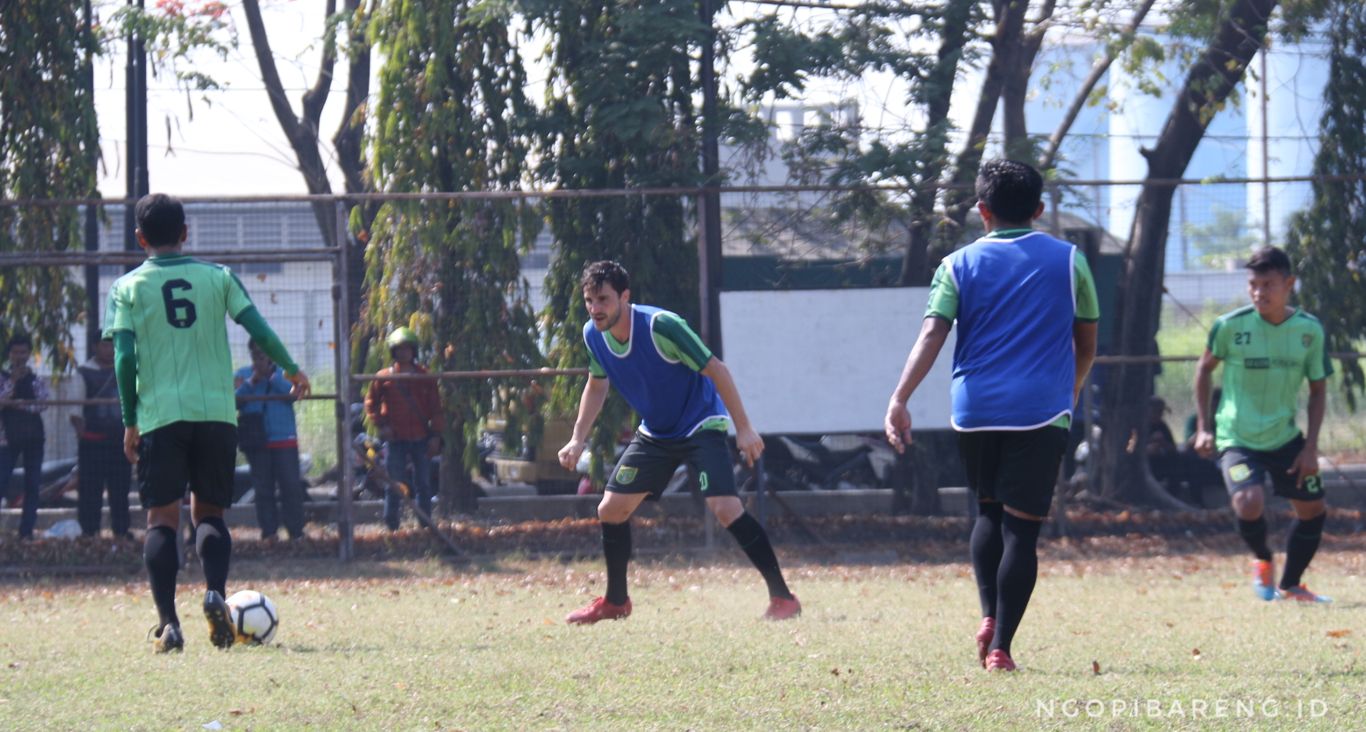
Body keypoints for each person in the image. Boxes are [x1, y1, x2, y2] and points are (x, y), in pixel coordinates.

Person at [884, 160, 1098, 672]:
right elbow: (1086, 342)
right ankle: (1000, 646)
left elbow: (932, 335)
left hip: (975, 409)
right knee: (1022, 532)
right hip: (1041, 411)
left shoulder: (956, 264)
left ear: (982, 211)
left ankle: (986, 614)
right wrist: (1068, 390)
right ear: (1039, 210)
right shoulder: (1070, 260)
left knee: (987, 513)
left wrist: (899, 397)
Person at [105, 193, 310, 653]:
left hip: (160, 417)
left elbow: (123, 357)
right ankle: (215, 591)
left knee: (162, 518)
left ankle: (169, 625)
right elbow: (256, 327)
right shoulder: (218, 277)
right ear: (185, 232)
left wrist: (130, 420)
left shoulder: (127, 288)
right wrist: (291, 369)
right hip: (217, 414)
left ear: (140, 239)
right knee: (210, 514)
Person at [557, 260, 800, 624]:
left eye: (603, 299)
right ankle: (616, 602)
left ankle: (783, 598)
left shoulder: (661, 326)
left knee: (724, 508)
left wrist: (745, 428)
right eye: (589, 300)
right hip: (656, 432)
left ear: (625, 296)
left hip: (700, 424)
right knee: (611, 509)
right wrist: (577, 438)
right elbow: (597, 383)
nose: (595, 309)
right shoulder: (593, 334)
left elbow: (717, 368)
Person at [1193, 246, 1332, 603]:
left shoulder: (1309, 331)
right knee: (1248, 500)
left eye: (1268, 284)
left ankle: (1292, 585)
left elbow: (1318, 391)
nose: (1259, 292)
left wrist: (1310, 448)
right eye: (1253, 284)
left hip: (1285, 439)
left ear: (1289, 284)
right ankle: (1262, 559)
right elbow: (1203, 370)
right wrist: (1205, 427)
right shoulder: (1229, 326)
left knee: (1312, 510)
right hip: (1236, 437)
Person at [364, 326, 444, 530]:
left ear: (413, 351)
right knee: (394, 483)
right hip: (395, 439)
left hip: (421, 437)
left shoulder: (426, 376)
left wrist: (435, 436)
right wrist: (382, 425)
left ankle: (425, 525)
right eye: (399, 349)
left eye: (407, 349)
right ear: (393, 351)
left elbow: (436, 408)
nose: (403, 353)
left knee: (423, 484)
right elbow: (370, 404)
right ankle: (392, 525)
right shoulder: (383, 377)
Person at [235, 339, 306, 541]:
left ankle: (296, 532)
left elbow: (294, 395)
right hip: (256, 441)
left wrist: (272, 377)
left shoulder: (286, 373)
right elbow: (234, 400)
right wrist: (252, 382)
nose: (260, 357)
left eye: (264, 352)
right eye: (256, 353)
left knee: (291, 486)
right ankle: (269, 533)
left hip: (284, 439)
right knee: (263, 488)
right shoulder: (242, 375)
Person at [72, 335, 133, 538]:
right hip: (92, 442)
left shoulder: (124, 369)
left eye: (112, 345)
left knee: (120, 489)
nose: (109, 349)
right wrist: (81, 433)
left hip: (119, 442)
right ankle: (89, 532)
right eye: (105, 345)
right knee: (90, 490)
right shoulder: (83, 373)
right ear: (95, 346)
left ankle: (121, 531)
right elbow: (75, 410)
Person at [0, 333, 51, 540]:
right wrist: (12, 381)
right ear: (9, 355)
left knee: (32, 485)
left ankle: (26, 531)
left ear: (29, 354)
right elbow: (2, 400)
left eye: (23, 352)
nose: (19, 356)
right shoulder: (3, 377)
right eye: (15, 352)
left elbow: (43, 403)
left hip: (33, 439)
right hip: (6, 440)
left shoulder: (36, 379)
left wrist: (18, 404)